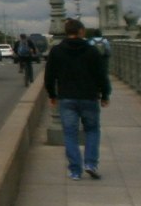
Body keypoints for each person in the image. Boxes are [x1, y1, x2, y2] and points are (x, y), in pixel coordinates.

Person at [44, 18, 111, 180]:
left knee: (70, 133)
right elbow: (101, 75)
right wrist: (105, 94)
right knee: (92, 130)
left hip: (67, 98)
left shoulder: (57, 51)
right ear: (81, 32)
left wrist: (52, 95)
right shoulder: (91, 51)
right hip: (89, 97)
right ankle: (90, 163)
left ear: (67, 32)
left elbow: (49, 76)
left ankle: (75, 170)